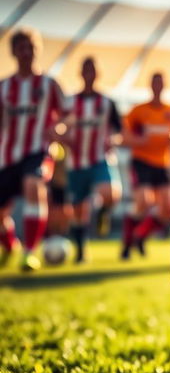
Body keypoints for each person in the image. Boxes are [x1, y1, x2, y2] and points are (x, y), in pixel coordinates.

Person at [0, 28, 66, 271]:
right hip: (7, 157)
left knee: (32, 185)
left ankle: (30, 252)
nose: (27, 52)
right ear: (14, 52)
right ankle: (10, 245)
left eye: (31, 48)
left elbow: (68, 115)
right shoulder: (4, 87)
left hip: (39, 151)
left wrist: (59, 128)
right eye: (21, 48)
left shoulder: (49, 85)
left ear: (37, 51)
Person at [62, 57, 122, 263]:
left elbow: (119, 132)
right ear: (81, 72)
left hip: (99, 158)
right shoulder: (70, 102)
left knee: (111, 194)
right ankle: (80, 251)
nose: (89, 73)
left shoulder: (107, 102)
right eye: (85, 69)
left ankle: (104, 212)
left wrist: (113, 140)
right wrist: (63, 138)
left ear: (97, 73)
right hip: (76, 162)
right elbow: (56, 127)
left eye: (92, 69)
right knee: (78, 210)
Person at [121, 72, 170, 259]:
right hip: (141, 162)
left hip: (163, 163)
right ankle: (127, 243)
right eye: (155, 83)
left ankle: (140, 235)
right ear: (151, 85)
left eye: (161, 83)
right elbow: (125, 134)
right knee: (144, 202)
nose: (158, 86)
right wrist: (138, 141)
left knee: (169, 209)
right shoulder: (138, 111)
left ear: (164, 86)